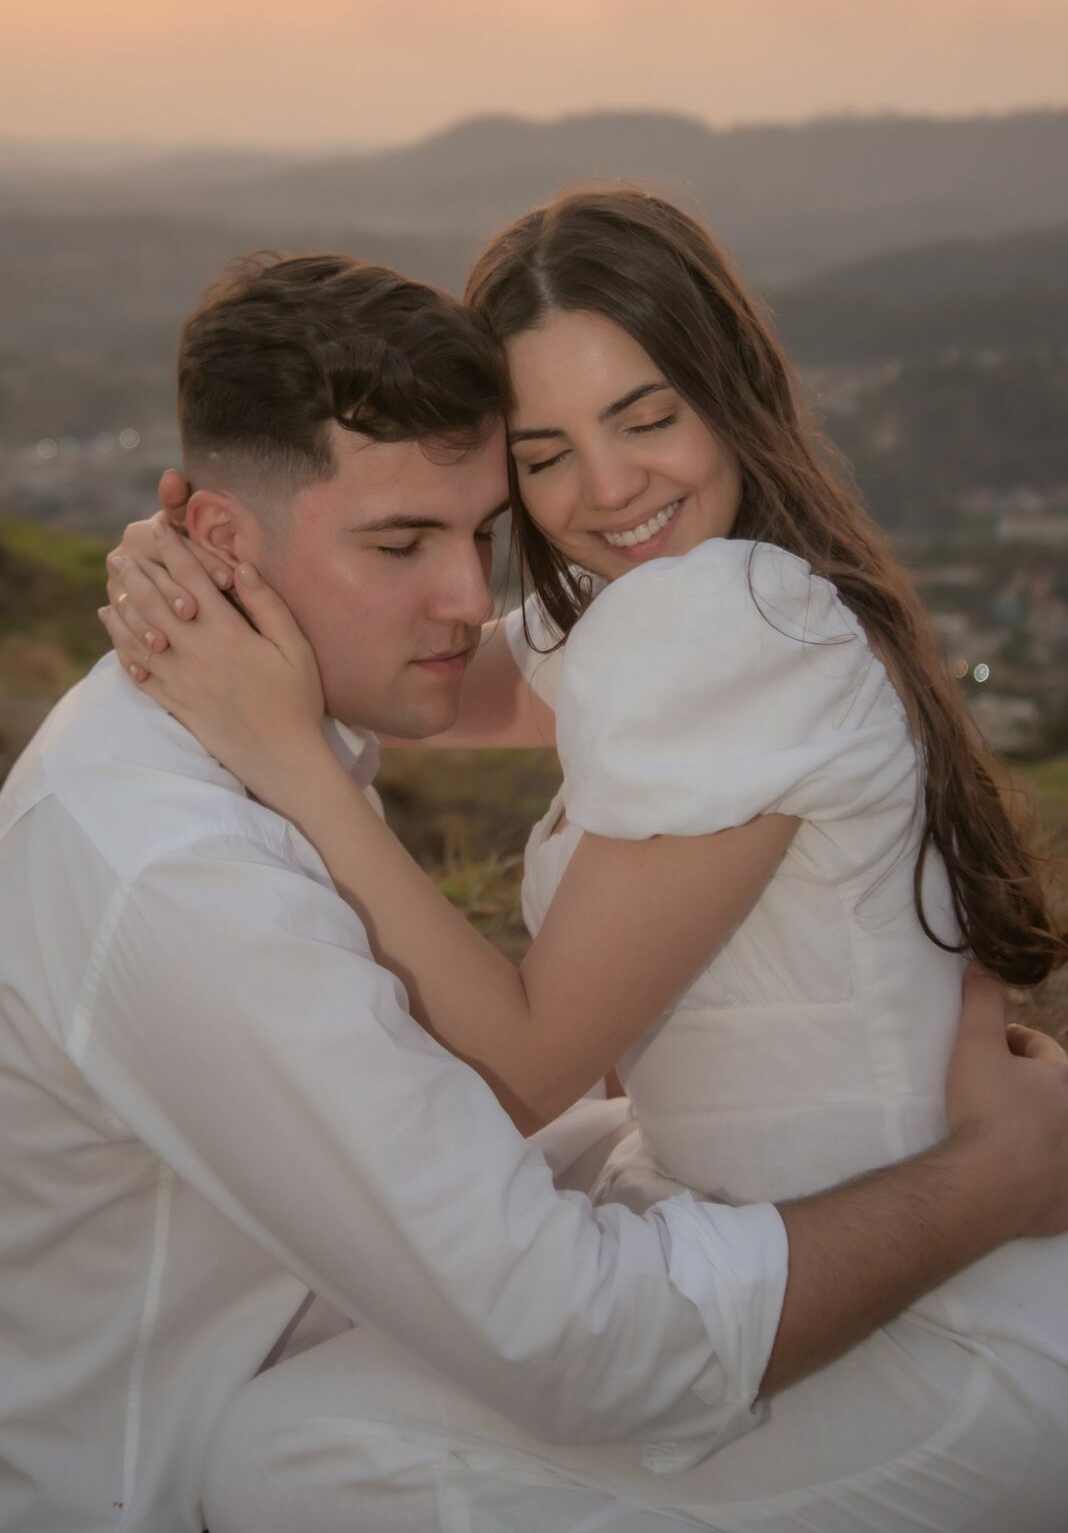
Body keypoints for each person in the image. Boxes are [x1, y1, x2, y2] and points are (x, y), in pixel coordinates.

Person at [96, 230, 1068, 1531]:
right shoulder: (700, 602)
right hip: (802, 1236)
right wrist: (215, 556)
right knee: (344, 1336)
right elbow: (453, 687)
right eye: (545, 456)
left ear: (728, 389)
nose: (606, 490)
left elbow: (528, 1059)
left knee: (281, 1452)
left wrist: (289, 759)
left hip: (913, 1317)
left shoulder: (725, 625)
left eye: (644, 417)